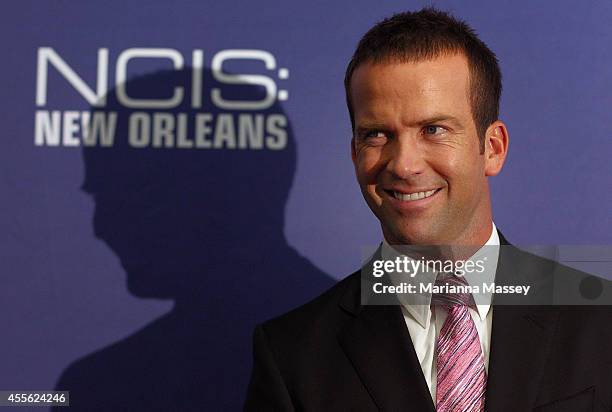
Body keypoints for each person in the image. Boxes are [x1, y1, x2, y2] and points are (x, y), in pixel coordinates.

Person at [245, 8, 612, 412]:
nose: (403, 164)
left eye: (433, 130)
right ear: (354, 154)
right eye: (377, 134)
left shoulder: (601, 324)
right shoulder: (293, 355)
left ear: (493, 148)